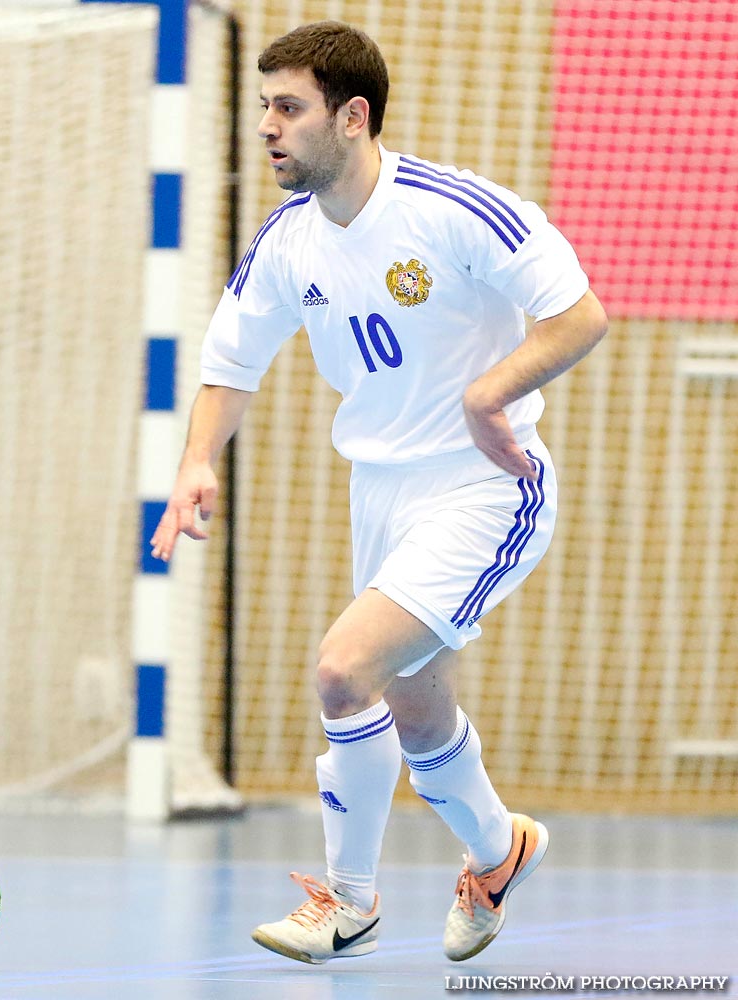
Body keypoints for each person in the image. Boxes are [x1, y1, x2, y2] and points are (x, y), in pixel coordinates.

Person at [152, 20, 607, 965]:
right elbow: (232, 359)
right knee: (416, 707)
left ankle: (348, 903)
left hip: (488, 484)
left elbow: (580, 314)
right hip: (382, 491)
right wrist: (198, 460)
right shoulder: (287, 241)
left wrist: (492, 393)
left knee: (340, 669)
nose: (268, 127)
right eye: (264, 106)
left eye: (289, 108)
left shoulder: (454, 209)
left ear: (353, 116)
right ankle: (498, 851)